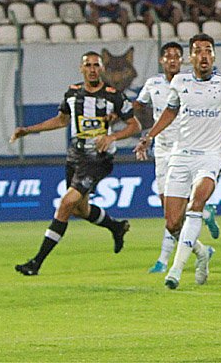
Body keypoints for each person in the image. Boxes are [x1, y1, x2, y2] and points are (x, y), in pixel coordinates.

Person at [133, 34, 221, 289]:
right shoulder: (180, 82)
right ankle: (202, 254)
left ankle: (176, 270)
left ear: (213, 56)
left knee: (197, 203)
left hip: (212, 155)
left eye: (208, 50)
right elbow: (171, 110)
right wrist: (150, 136)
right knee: (172, 223)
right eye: (198, 51)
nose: (203, 55)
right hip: (181, 156)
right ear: (190, 58)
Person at [10, 52, 140, 275]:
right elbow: (61, 120)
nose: (92, 69)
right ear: (81, 69)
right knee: (81, 209)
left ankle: (36, 262)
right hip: (75, 156)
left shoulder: (114, 97)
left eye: (95, 65)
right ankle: (116, 227)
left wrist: (111, 137)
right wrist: (28, 130)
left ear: (102, 69)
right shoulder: (72, 93)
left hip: (98, 159)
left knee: (66, 203)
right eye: (87, 65)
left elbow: (134, 125)